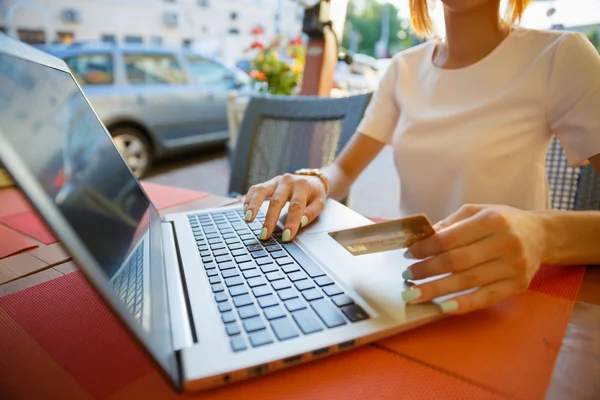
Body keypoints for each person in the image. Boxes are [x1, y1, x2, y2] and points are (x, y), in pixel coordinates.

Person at [242, 0, 600, 315]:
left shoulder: (559, 55)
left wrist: (543, 235)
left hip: (515, 300)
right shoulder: (403, 68)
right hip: (411, 286)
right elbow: (343, 170)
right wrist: (314, 179)